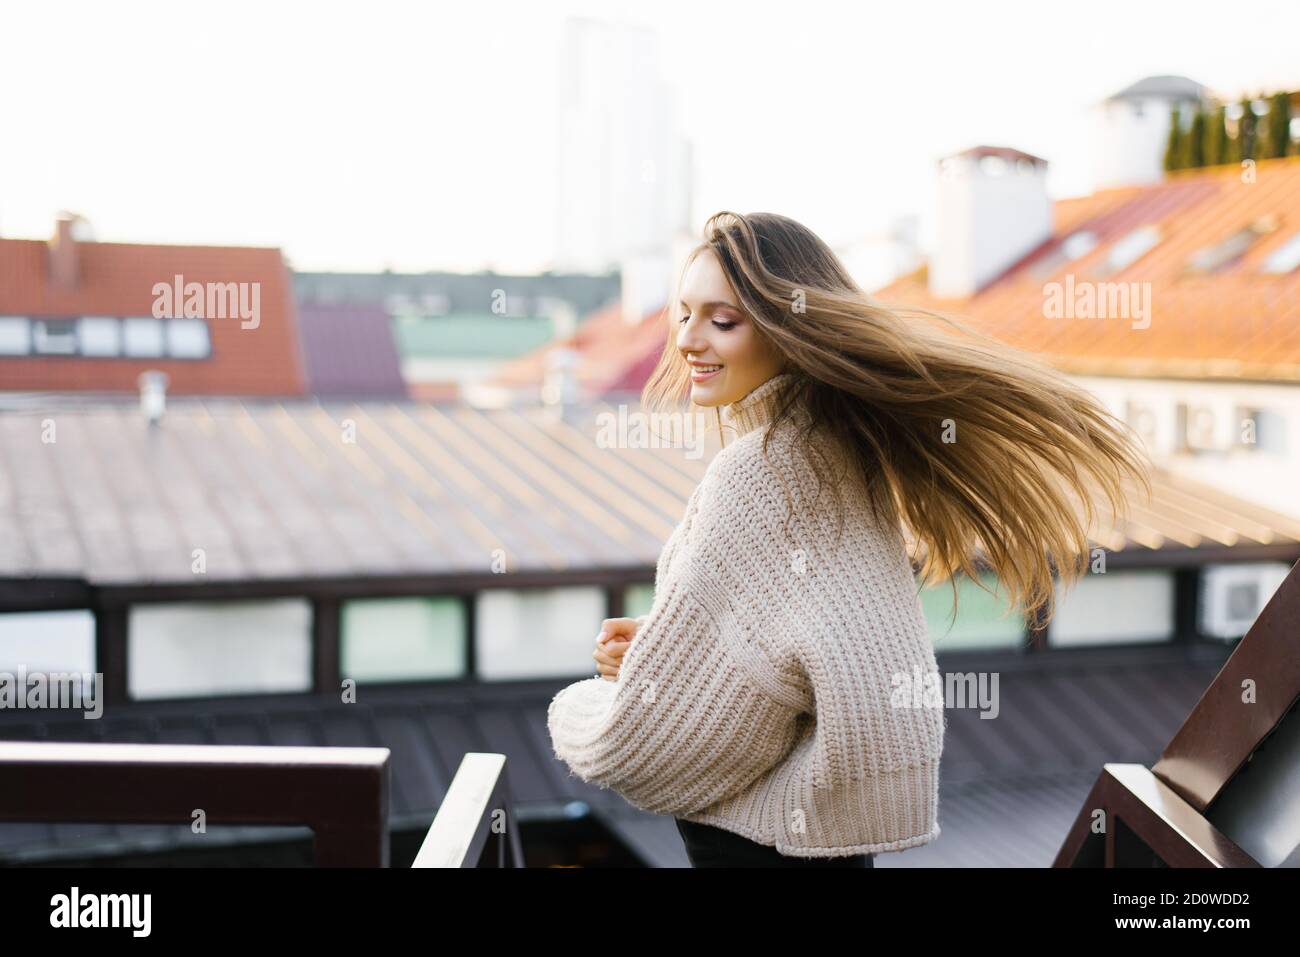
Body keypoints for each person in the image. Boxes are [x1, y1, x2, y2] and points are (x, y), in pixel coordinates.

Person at [547, 211, 1150, 867]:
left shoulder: (760, 473)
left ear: (788, 327)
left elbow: (649, 751)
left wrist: (586, 704)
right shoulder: (833, 454)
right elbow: (797, 662)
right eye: (683, 313)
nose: (689, 339)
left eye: (722, 320)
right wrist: (673, 651)